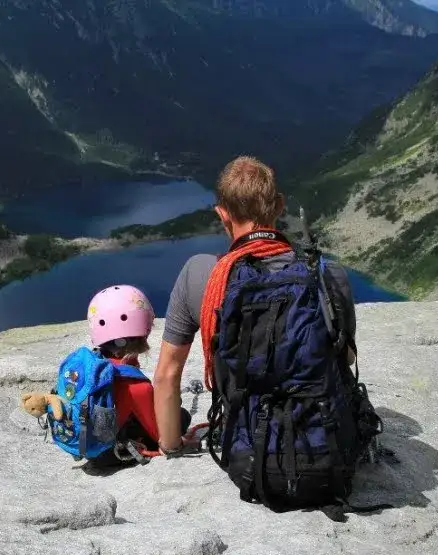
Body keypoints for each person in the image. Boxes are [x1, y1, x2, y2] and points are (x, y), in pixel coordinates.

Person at [152, 156, 358, 457]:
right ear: (279, 206)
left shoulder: (201, 275)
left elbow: (167, 375)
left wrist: (171, 445)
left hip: (247, 450)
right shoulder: (326, 275)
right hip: (324, 441)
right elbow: (346, 358)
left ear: (222, 214)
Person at [85, 285, 191, 467]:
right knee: (180, 416)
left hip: (90, 445)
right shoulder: (135, 385)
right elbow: (160, 435)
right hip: (112, 453)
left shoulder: (93, 365)